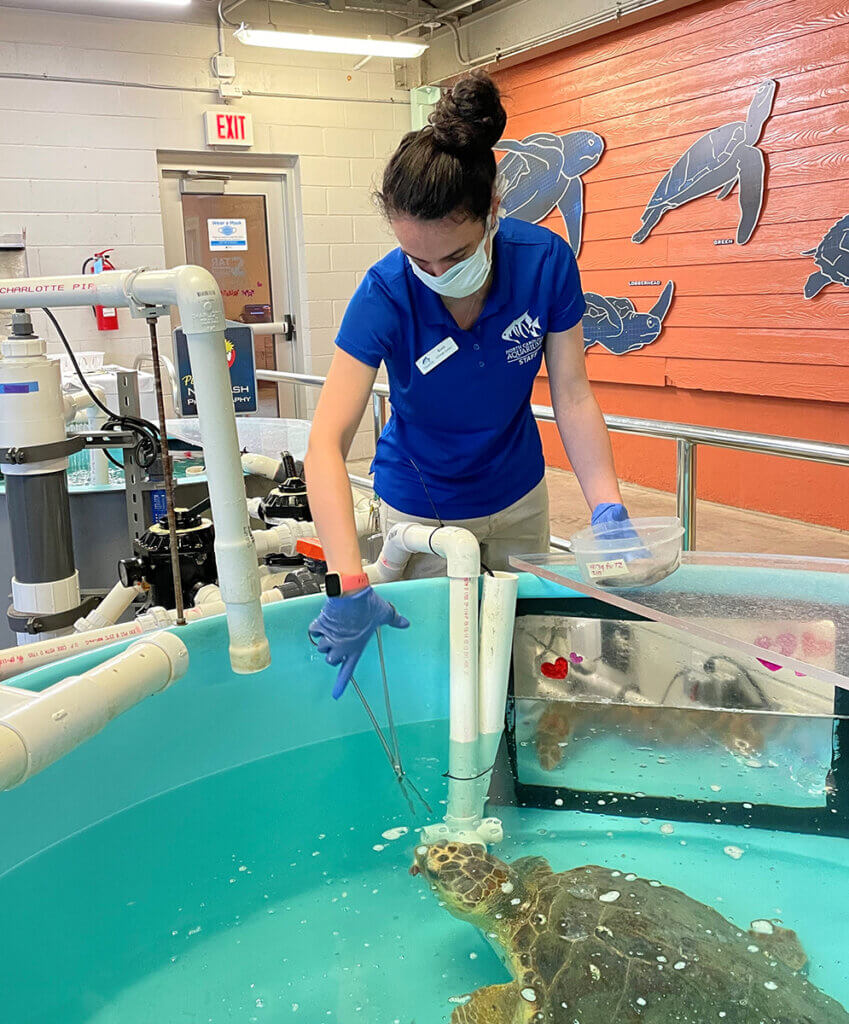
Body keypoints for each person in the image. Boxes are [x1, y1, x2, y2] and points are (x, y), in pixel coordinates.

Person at [306, 71, 635, 696]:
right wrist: (350, 580)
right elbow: (326, 439)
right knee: (436, 674)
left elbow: (572, 395)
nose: (434, 274)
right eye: (417, 259)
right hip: (419, 507)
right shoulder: (384, 293)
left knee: (521, 663)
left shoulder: (545, 264)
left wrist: (607, 506)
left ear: (491, 212)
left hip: (516, 499)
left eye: (454, 257)